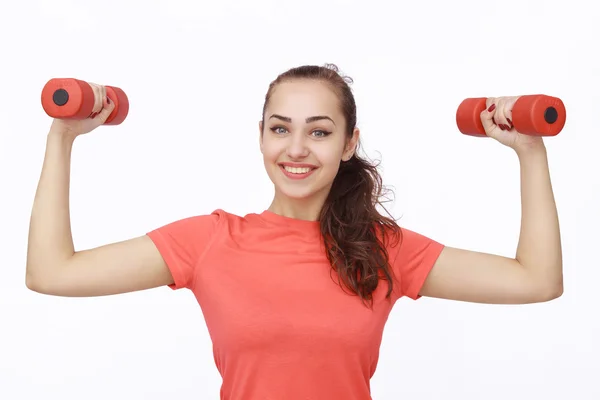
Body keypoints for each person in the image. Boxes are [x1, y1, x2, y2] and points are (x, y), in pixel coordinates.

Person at [26, 63, 563, 399]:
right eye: (281, 128)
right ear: (260, 136)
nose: (297, 149)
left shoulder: (384, 250)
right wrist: (62, 138)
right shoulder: (209, 241)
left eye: (320, 131)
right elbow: (52, 273)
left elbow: (536, 281)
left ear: (350, 143)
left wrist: (530, 153)